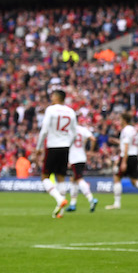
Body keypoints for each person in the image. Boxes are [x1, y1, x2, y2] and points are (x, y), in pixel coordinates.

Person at [32, 89, 77, 218]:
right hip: (65, 147)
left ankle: (59, 199)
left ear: (57, 98)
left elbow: (44, 130)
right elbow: (74, 133)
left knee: (45, 176)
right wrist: (68, 144)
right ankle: (60, 212)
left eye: (52, 97)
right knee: (61, 177)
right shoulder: (71, 112)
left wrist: (39, 147)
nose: (51, 99)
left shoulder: (51, 110)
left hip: (52, 146)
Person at [105, 113, 138, 210]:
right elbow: (130, 143)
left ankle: (117, 204)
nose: (119, 121)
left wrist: (123, 161)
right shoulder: (134, 130)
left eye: (120, 119)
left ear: (124, 120)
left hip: (127, 156)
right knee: (134, 180)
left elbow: (126, 146)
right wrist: (117, 141)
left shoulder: (126, 130)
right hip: (134, 156)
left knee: (117, 177)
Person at [66, 120, 98, 212]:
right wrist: (91, 151)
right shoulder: (83, 129)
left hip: (74, 158)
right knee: (73, 179)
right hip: (82, 157)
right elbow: (93, 139)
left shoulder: (70, 131)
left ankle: (91, 199)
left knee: (79, 179)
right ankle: (73, 204)